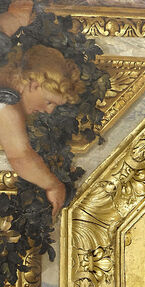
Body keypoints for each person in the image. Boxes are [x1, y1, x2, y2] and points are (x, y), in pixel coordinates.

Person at [0, 43, 83, 217]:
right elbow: (21, 157)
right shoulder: (6, 105)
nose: (49, 110)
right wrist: (54, 186)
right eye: (49, 101)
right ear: (33, 84)